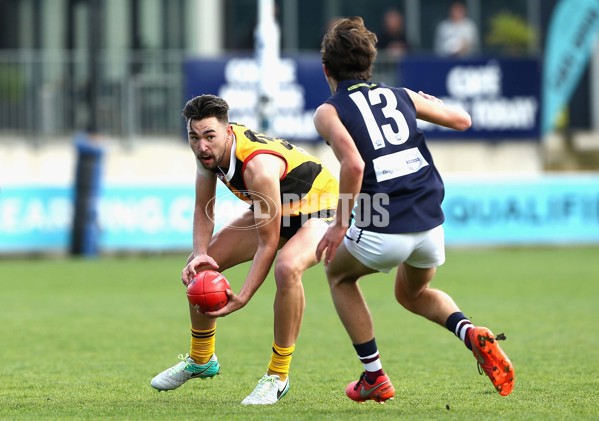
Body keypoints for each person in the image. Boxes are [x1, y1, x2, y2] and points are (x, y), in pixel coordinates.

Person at [314, 17, 515, 403]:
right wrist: (428, 102)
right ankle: (470, 332)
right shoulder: (400, 93)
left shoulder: (329, 110)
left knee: (338, 275)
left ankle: (374, 376)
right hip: (428, 221)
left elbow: (353, 165)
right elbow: (463, 119)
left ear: (327, 69)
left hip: (383, 221)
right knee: (412, 293)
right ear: (370, 63)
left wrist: (339, 225)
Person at [150, 94, 339, 405]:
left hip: (323, 208)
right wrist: (200, 253)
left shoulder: (258, 168)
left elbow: (268, 244)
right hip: (278, 207)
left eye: (209, 136)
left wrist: (244, 296)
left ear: (227, 132)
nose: (201, 146)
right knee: (202, 267)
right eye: (194, 137)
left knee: (287, 268)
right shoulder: (207, 154)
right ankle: (201, 359)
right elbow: (203, 209)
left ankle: (278, 376)